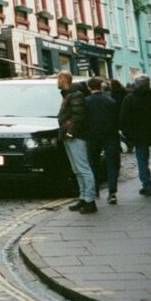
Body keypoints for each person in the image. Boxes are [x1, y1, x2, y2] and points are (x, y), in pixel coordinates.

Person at [119, 75, 151, 197]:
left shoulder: (129, 99)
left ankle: (147, 187)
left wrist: (129, 135)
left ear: (136, 85)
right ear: (148, 84)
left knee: (142, 161)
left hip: (139, 136)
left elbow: (124, 120)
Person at [57, 71, 96, 214]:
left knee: (83, 169)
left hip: (76, 136)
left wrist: (70, 132)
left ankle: (90, 200)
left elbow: (79, 115)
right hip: (69, 136)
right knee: (77, 170)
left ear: (63, 80)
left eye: (58, 78)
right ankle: (83, 197)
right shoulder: (68, 94)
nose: (57, 81)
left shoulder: (76, 94)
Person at [84, 77, 121, 204]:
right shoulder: (110, 101)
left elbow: (84, 120)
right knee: (112, 164)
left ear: (89, 87)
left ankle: (95, 190)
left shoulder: (86, 101)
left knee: (92, 163)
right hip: (110, 135)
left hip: (92, 136)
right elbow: (117, 119)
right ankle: (112, 193)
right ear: (101, 87)